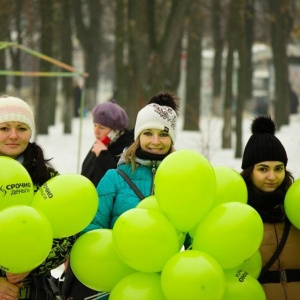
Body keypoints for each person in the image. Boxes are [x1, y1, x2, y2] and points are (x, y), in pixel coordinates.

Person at [79, 92, 178, 299]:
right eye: (148, 133)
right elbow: (92, 228)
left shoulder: (181, 180)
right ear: (138, 136)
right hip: (118, 284)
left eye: (163, 134)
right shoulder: (114, 178)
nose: (155, 141)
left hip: (166, 286)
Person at [0, 95, 76, 300]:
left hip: (36, 291)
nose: (13, 135)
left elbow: (65, 236)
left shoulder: (48, 178)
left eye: (21, 128)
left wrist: (33, 264)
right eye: (4, 128)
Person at [61, 100, 134, 300]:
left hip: (109, 227)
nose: (96, 130)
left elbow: (114, 182)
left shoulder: (126, 149)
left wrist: (103, 156)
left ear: (116, 129)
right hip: (86, 218)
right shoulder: (100, 145)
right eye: (94, 125)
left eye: (102, 126)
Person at [240, 115, 300, 300]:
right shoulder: (239, 213)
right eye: (263, 169)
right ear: (250, 172)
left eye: (279, 168)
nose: (272, 176)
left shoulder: (295, 208)